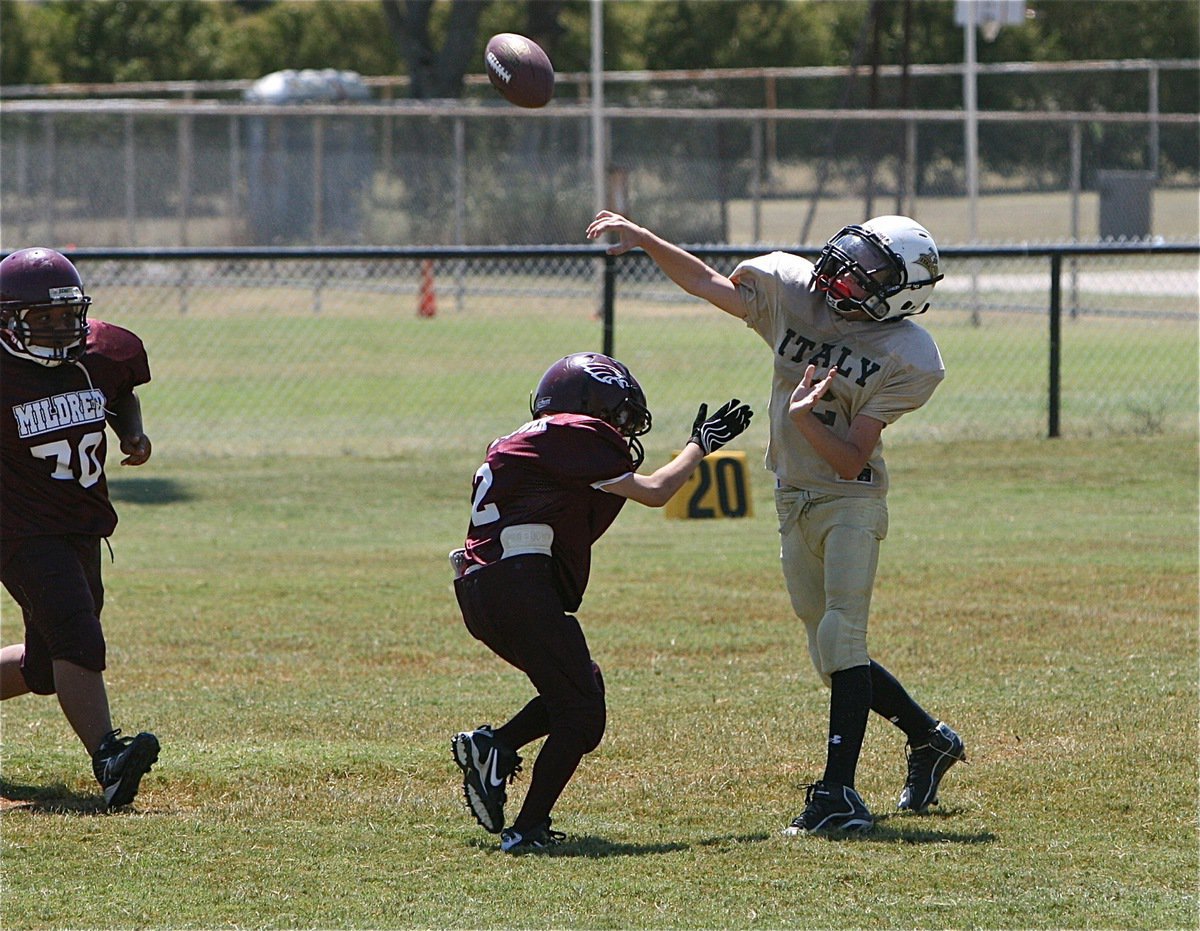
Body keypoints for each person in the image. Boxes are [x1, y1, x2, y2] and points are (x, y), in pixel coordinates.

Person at [585, 210, 966, 834]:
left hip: (849, 500)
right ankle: (930, 738)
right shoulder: (794, 292)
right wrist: (647, 239)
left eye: (867, 272)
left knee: (843, 640)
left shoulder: (908, 354)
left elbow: (850, 460)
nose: (843, 273)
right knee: (828, 656)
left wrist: (804, 418)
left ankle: (837, 795)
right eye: (851, 255)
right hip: (792, 496)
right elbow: (707, 283)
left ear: (898, 294)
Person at [450, 351, 752, 853]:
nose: (624, 429)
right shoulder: (574, 431)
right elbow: (655, 491)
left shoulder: (522, 439)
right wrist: (699, 445)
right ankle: (526, 830)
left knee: (578, 686)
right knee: (582, 714)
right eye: (620, 415)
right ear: (589, 404)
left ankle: (496, 746)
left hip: (484, 588)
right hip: (518, 585)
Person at [0, 247, 160, 809]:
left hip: (81, 524)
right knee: (77, 634)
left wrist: (131, 432)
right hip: (18, 529)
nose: (57, 327)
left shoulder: (99, 354)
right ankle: (108, 757)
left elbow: (119, 394)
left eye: (66, 314)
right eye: (40, 317)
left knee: (46, 667)